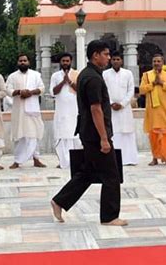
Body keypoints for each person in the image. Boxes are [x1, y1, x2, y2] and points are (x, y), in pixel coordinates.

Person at [50, 40, 127, 226]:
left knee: (88, 172)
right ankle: (109, 216)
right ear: (95, 55)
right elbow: (96, 109)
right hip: (95, 134)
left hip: (88, 132)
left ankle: (60, 201)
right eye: (106, 54)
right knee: (111, 175)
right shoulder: (92, 78)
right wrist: (104, 138)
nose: (109, 58)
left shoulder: (87, 74)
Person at [6, 54, 46, 169]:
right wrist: (19, 92)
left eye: (25, 60)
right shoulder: (12, 76)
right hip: (19, 110)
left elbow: (42, 88)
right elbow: (7, 90)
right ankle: (17, 160)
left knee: (34, 135)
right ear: (18, 63)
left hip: (33, 110)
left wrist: (30, 92)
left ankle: (36, 159)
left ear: (28, 62)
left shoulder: (35, 75)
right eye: (20, 61)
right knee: (19, 135)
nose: (23, 62)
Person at [139, 54, 166, 166]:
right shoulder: (146, 75)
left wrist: (162, 83)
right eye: (154, 61)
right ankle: (155, 157)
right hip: (153, 109)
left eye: (158, 61)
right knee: (154, 135)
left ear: (163, 62)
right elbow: (142, 90)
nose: (156, 63)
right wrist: (153, 84)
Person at [103, 52, 138, 166]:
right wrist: (111, 103)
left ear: (122, 61)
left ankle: (129, 159)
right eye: (114, 59)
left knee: (126, 132)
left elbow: (130, 90)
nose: (116, 61)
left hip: (125, 109)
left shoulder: (128, 74)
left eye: (118, 59)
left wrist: (122, 104)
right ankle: (114, 159)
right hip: (111, 109)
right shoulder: (105, 74)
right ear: (111, 61)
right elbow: (104, 91)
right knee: (114, 133)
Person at [49, 52, 81, 169]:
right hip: (61, 111)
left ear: (71, 62)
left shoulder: (77, 74)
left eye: (67, 61)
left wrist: (70, 82)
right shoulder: (55, 76)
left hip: (74, 110)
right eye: (63, 61)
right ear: (60, 62)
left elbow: (80, 90)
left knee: (75, 136)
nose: (65, 63)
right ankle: (64, 161)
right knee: (62, 135)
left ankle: (75, 161)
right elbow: (53, 92)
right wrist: (63, 81)